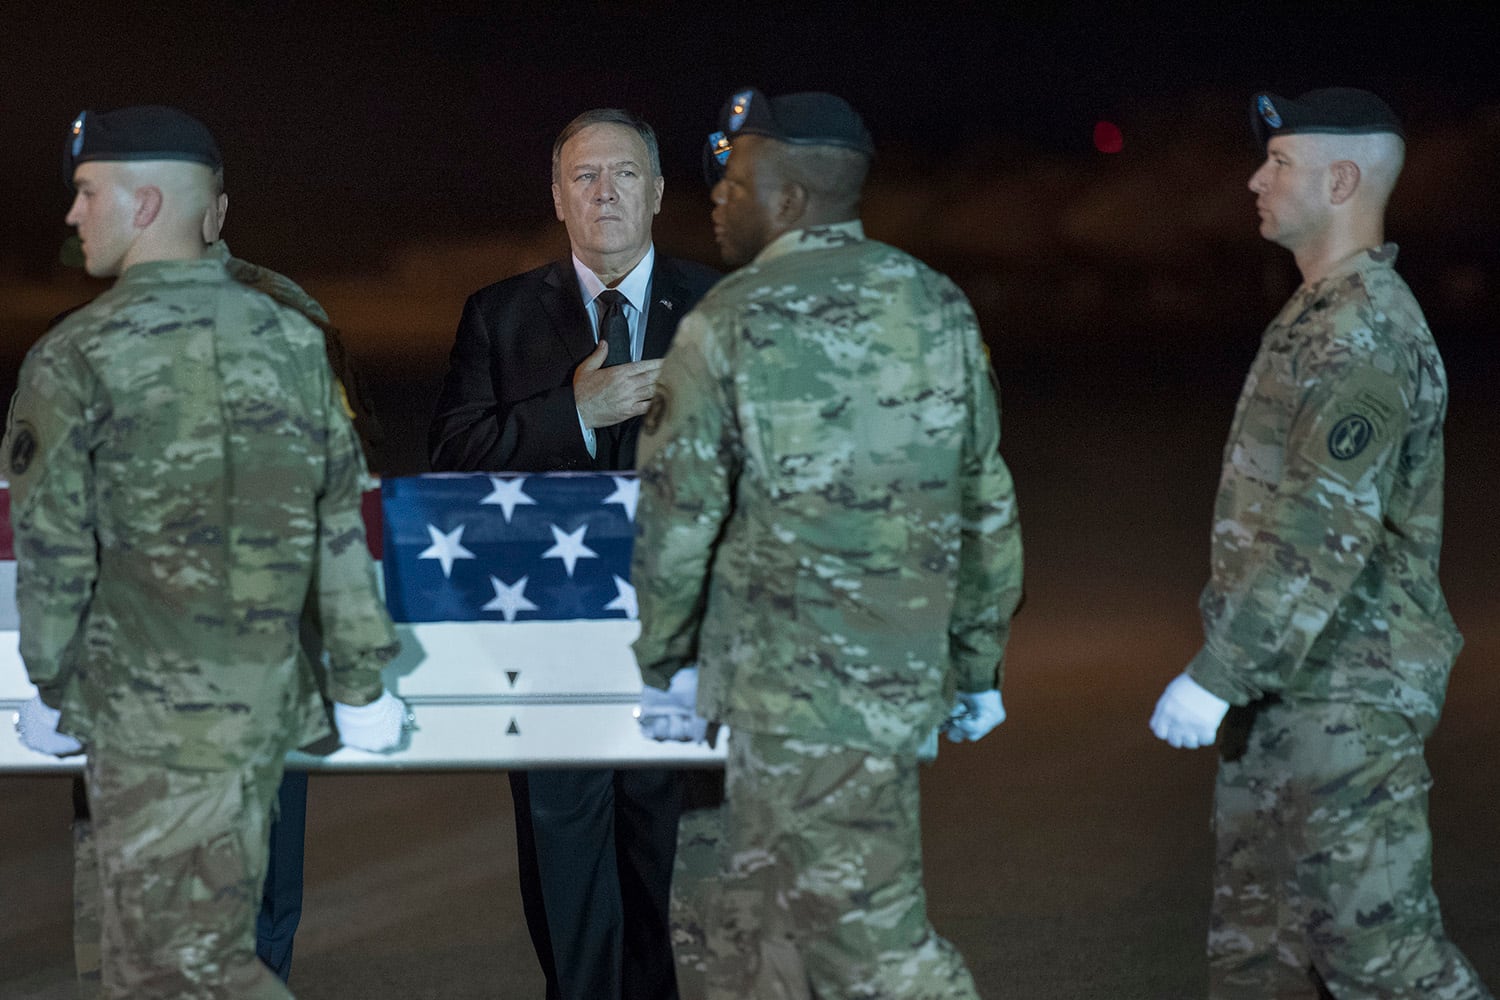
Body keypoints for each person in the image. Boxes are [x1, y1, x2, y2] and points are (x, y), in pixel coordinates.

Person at [8, 104, 408, 999]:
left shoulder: (74, 357)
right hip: (264, 705)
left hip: (144, 719)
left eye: (86, 193)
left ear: (145, 204)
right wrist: (360, 684)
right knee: (216, 941)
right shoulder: (297, 341)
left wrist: (49, 684)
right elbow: (340, 527)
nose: (72, 218)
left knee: (170, 967)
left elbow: (54, 550)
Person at [631, 87, 1022, 1000]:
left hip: (788, 692)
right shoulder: (939, 309)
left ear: (792, 200)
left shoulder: (730, 320)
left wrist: (666, 656)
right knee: (761, 942)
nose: (718, 197)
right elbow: (986, 504)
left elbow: (678, 513)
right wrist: (977, 663)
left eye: (736, 181)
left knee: (872, 947)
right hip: (895, 676)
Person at [1149, 88, 1492, 998]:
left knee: (1383, 961)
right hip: (1287, 691)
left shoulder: (1363, 328)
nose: (1256, 179)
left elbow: (1323, 528)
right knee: (1259, 958)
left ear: (1343, 179)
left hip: (1345, 697)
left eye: (1281, 163)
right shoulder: (1319, 311)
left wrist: (1217, 673)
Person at [428, 108, 718, 1000]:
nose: (605, 193)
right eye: (585, 176)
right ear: (557, 197)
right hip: (552, 644)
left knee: (672, 870)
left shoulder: (722, 311)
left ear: (660, 192)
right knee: (565, 868)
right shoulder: (501, 315)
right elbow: (449, 463)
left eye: (624, 174)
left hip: (689, 646)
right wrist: (574, 415)